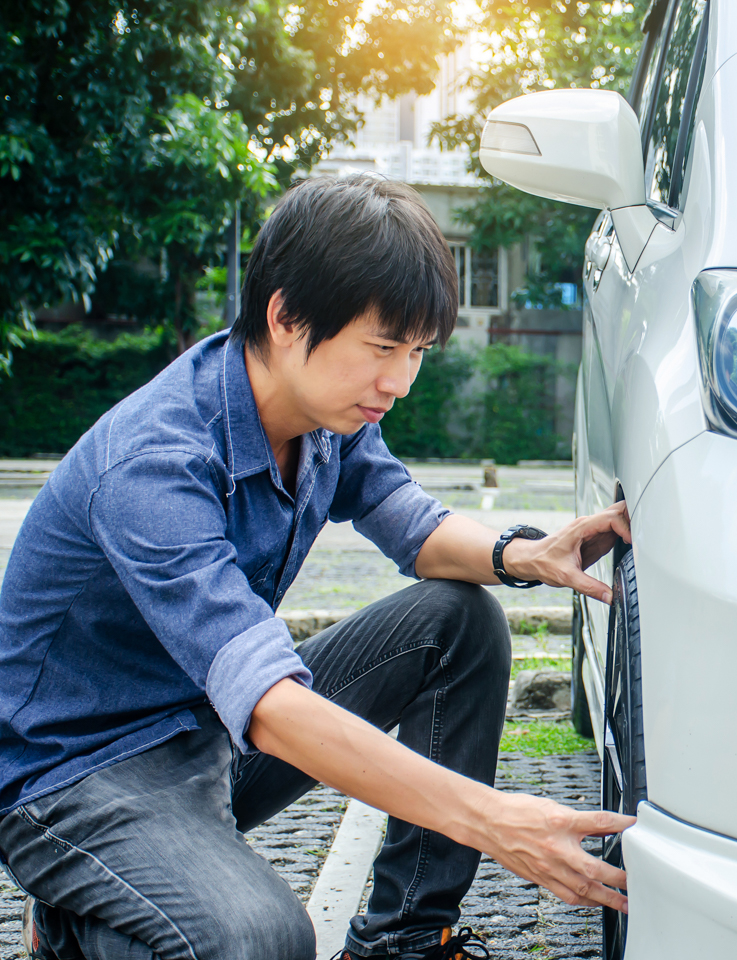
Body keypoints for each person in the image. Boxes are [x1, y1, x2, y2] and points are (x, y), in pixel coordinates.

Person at [0, 175, 633, 960]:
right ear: (286, 316)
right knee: (262, 938)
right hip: (82, 776)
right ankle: (72, 917)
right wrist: (490, 817)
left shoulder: (325, 416)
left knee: (460, 620)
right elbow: (267, 702)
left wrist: (522, 555)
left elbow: (410, 521)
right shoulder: (154, 465)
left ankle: (404, 939)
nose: (399, 382)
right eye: (381, 348)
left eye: (416, 353)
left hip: (210, 732)